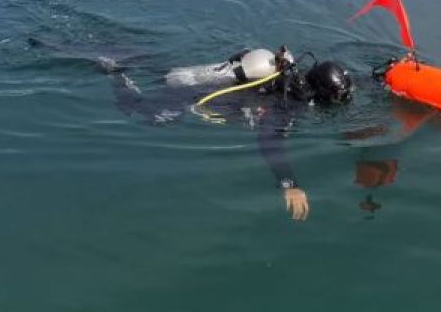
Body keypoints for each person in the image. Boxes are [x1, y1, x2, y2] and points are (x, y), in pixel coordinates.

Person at [102, 47, 353, 221]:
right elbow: (269, 143)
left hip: (211, 84)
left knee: (166, 76)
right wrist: (289, 184)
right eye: (338, 97)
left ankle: (134, 58)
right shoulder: (286, 107)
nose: (341, 100)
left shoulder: (292, 79)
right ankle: (115, 73)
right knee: (152, 116)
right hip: (195, 96)